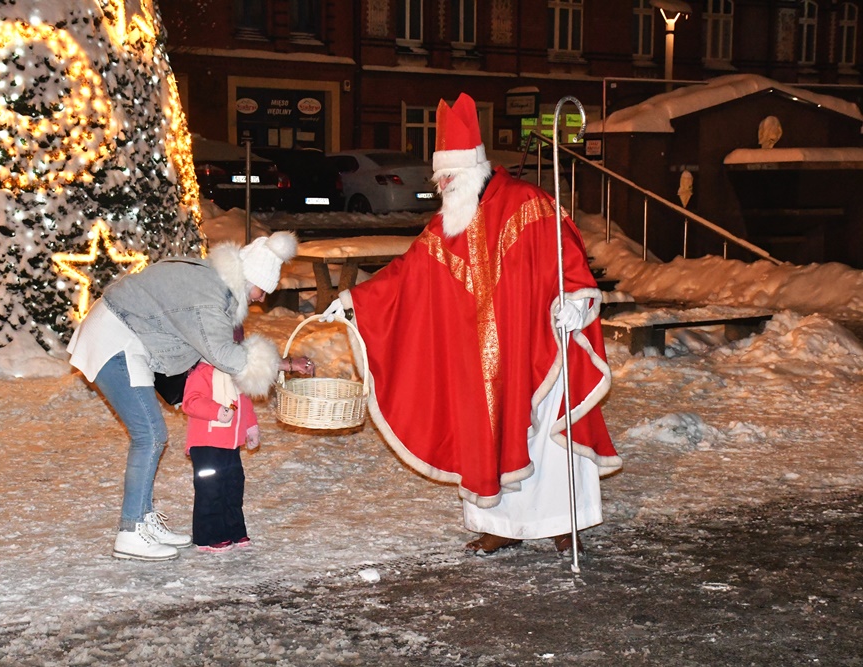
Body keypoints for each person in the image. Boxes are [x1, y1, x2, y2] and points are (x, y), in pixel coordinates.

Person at [323, 93, 622, 554]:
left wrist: (575, 304)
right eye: (441, 180)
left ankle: (566, 520)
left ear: (474, 172)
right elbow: (407, 276)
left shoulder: (532, 205)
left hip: (539, 344)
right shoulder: (447, 226)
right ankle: (501, 524)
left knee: (544, 436)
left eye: (449, 179)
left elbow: (571, 262)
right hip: (477, 360)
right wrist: (354, 301)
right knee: (484, 433)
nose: (443, 188)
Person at [67, 231, 314, 561]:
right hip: (114, 337)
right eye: (260, 292)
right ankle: (130, 531)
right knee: (150, 435)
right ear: (249, 280)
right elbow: (224, 355)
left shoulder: (211, 281)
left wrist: (282, 364)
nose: (259, 300)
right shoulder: (210, 296)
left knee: (152, 435)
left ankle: (143, 519)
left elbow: (199, 340)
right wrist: (279, 364)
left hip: (127, 337)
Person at [181, 359, 259, 552]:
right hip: (206, 443)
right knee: (210, 490)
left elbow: (244, 403)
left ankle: (234, 530)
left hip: (231, 443)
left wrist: (251, 427)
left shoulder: (236, 373)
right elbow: (191, 401)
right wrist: (216, 411)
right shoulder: (203, 372)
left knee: (233, 486)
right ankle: (209, 536)